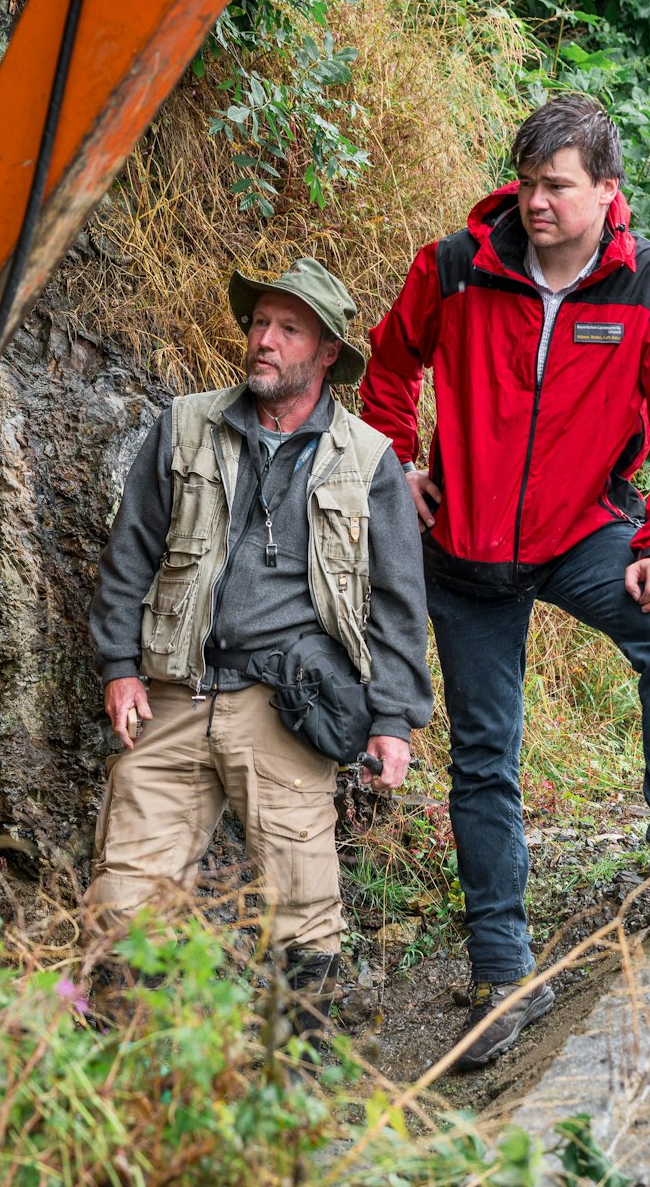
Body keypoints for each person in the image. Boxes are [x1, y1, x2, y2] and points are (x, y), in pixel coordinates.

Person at [361, 94, 650, 1069]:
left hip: (584, 528)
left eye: (558, 186)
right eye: (527, 183)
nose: (536, 203)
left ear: (606, 190)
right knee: (482, 754)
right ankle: (504, 973)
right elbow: (388, 364)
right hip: (464, 545)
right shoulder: (456, 268)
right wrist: (394, 465)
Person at [86, 257, 432, 1017]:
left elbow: (399, 603)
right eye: (259, 323)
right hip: (172, 696)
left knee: (302, 909)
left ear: (327, 352)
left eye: (288, 329)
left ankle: (295, 1068)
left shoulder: (367, 460)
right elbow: (129, 553)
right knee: (123, 898)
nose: (263, 340)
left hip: (282, 707)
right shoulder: (185, 426)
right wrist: (119, 665)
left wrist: (393, 719)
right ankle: (128, 1063)